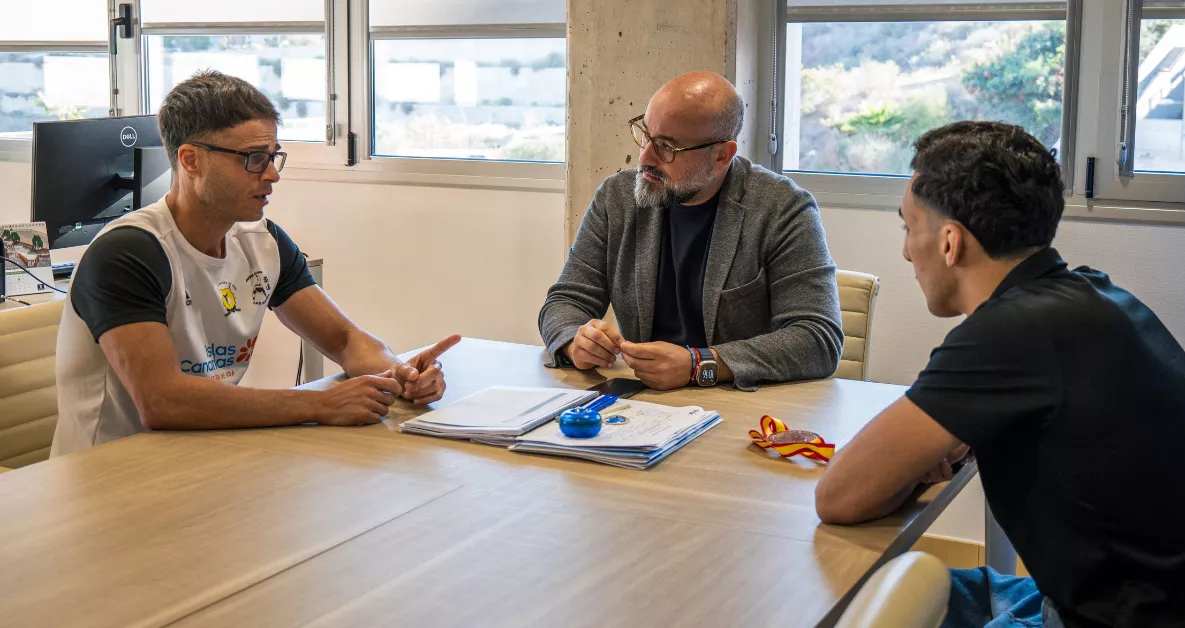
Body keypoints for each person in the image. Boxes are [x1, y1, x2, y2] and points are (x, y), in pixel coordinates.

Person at [815, 121, 1185, 627]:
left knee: (857, 597)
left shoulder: (1005, 335)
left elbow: (837, 496)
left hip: (1122, 618)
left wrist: (905, 466)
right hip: (1164, 597)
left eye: (909, 228)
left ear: (950, 242)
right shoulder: (1090, 294)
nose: (907, 251)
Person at [51, 71, 460, 456]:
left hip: (206, 458)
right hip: (110, 473)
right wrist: (319, 403)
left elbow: (345, 340)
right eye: (253, 159)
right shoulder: (128, 252)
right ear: (191, 161)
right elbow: (162, 401)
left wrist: (399, 373)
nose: (271, 176)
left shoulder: (264, 242)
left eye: (272, 157)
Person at [539, 71, 842, 391]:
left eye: (667, 147)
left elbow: (817, 337)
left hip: (741, 407)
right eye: (646, 134)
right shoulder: (617, 198)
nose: (645, 157)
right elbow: (565, 301)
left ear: (722, 155)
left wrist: (701, 364)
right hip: (642, 404)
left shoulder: (782, 208)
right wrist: (576, 341)